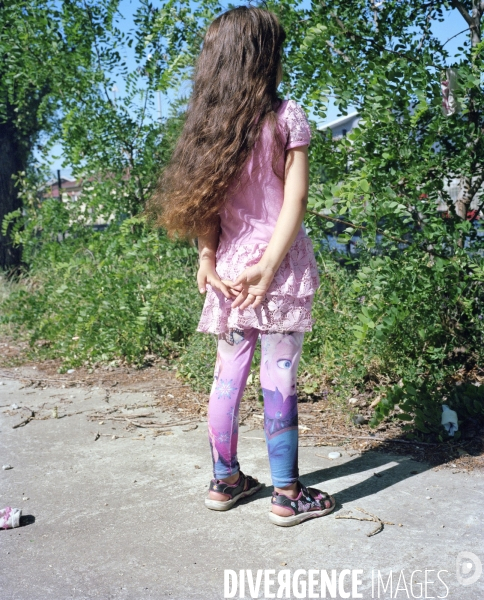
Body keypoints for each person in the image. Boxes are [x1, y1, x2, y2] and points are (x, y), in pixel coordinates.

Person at [150, 6, 335, 526]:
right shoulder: (285, 115)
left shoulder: (210, 128)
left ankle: (225, 478)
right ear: (264, 59)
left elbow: (202, 205)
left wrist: (207, 259)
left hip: (231, 273)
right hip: (278, 272)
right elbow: (294, 201)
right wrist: (272, 264)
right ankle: (286, 494)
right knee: (279, 376)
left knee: (226, 378)